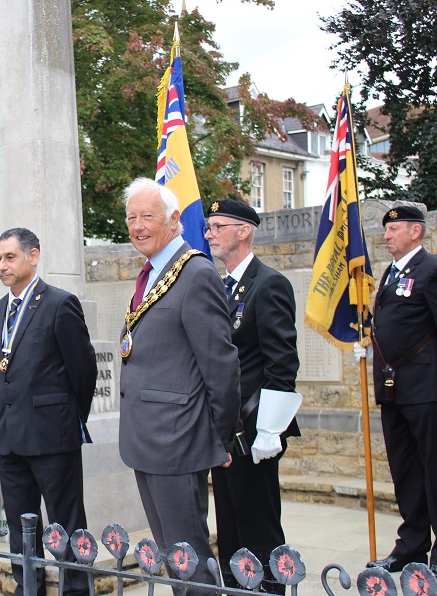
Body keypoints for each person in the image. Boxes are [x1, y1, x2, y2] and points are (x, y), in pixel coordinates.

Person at [117, 178, 240, 591]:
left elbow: (220, 366)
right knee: (174, 558)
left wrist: (218, 437)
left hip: (178, 438)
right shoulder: (152, 273)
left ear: (174, 220)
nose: (137, 226)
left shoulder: (194, 273)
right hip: (148, 437)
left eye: (147, 216)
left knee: (190, 557)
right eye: (131, 217)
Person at [0, 228, 97, 596]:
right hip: (10, 439)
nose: (3, 265)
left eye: (10, 257)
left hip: (52, 437)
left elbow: (83, 371)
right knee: (20, 527)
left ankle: (76, 589)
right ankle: (27, 588)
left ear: (33, 256)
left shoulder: (59, 304)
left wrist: (65, 417)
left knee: (65, 524)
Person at [205, 200, 302, 593]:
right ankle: (235, 585)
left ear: (243, 231)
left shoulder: (268, 284)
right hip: (224, 428)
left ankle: (269, 588)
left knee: (258, 523)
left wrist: (271, 429)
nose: (209, 234)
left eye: (217, 227)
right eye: (209, 227)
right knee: (228, 523)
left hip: (255, 428)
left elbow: (282, 361)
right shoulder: (218, 285)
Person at [362, 206, 437, 586]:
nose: (387, 235)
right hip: (394, 390)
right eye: (386, 229)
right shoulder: (391, 274)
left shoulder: (434, 271)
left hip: (427, 391)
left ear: (416, 231)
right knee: (405, 472)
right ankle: (412, 544)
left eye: (395, 228)